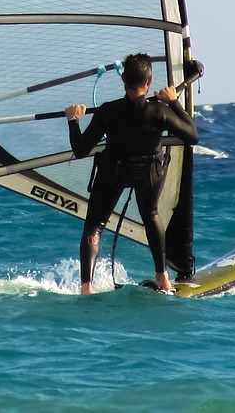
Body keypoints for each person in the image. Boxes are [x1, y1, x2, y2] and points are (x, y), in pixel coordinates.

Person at [65, 53, 199, 295]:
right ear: (149, 81)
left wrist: (74, 121)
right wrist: (173, 102)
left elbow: (81, 149)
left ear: (123, 78)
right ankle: (163, 279)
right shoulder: (159, 111)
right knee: (151, 214)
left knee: (95, 226)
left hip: (114, 172)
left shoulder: (108, 111)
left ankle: (87, 288)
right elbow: (192, 136)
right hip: (149, 174)